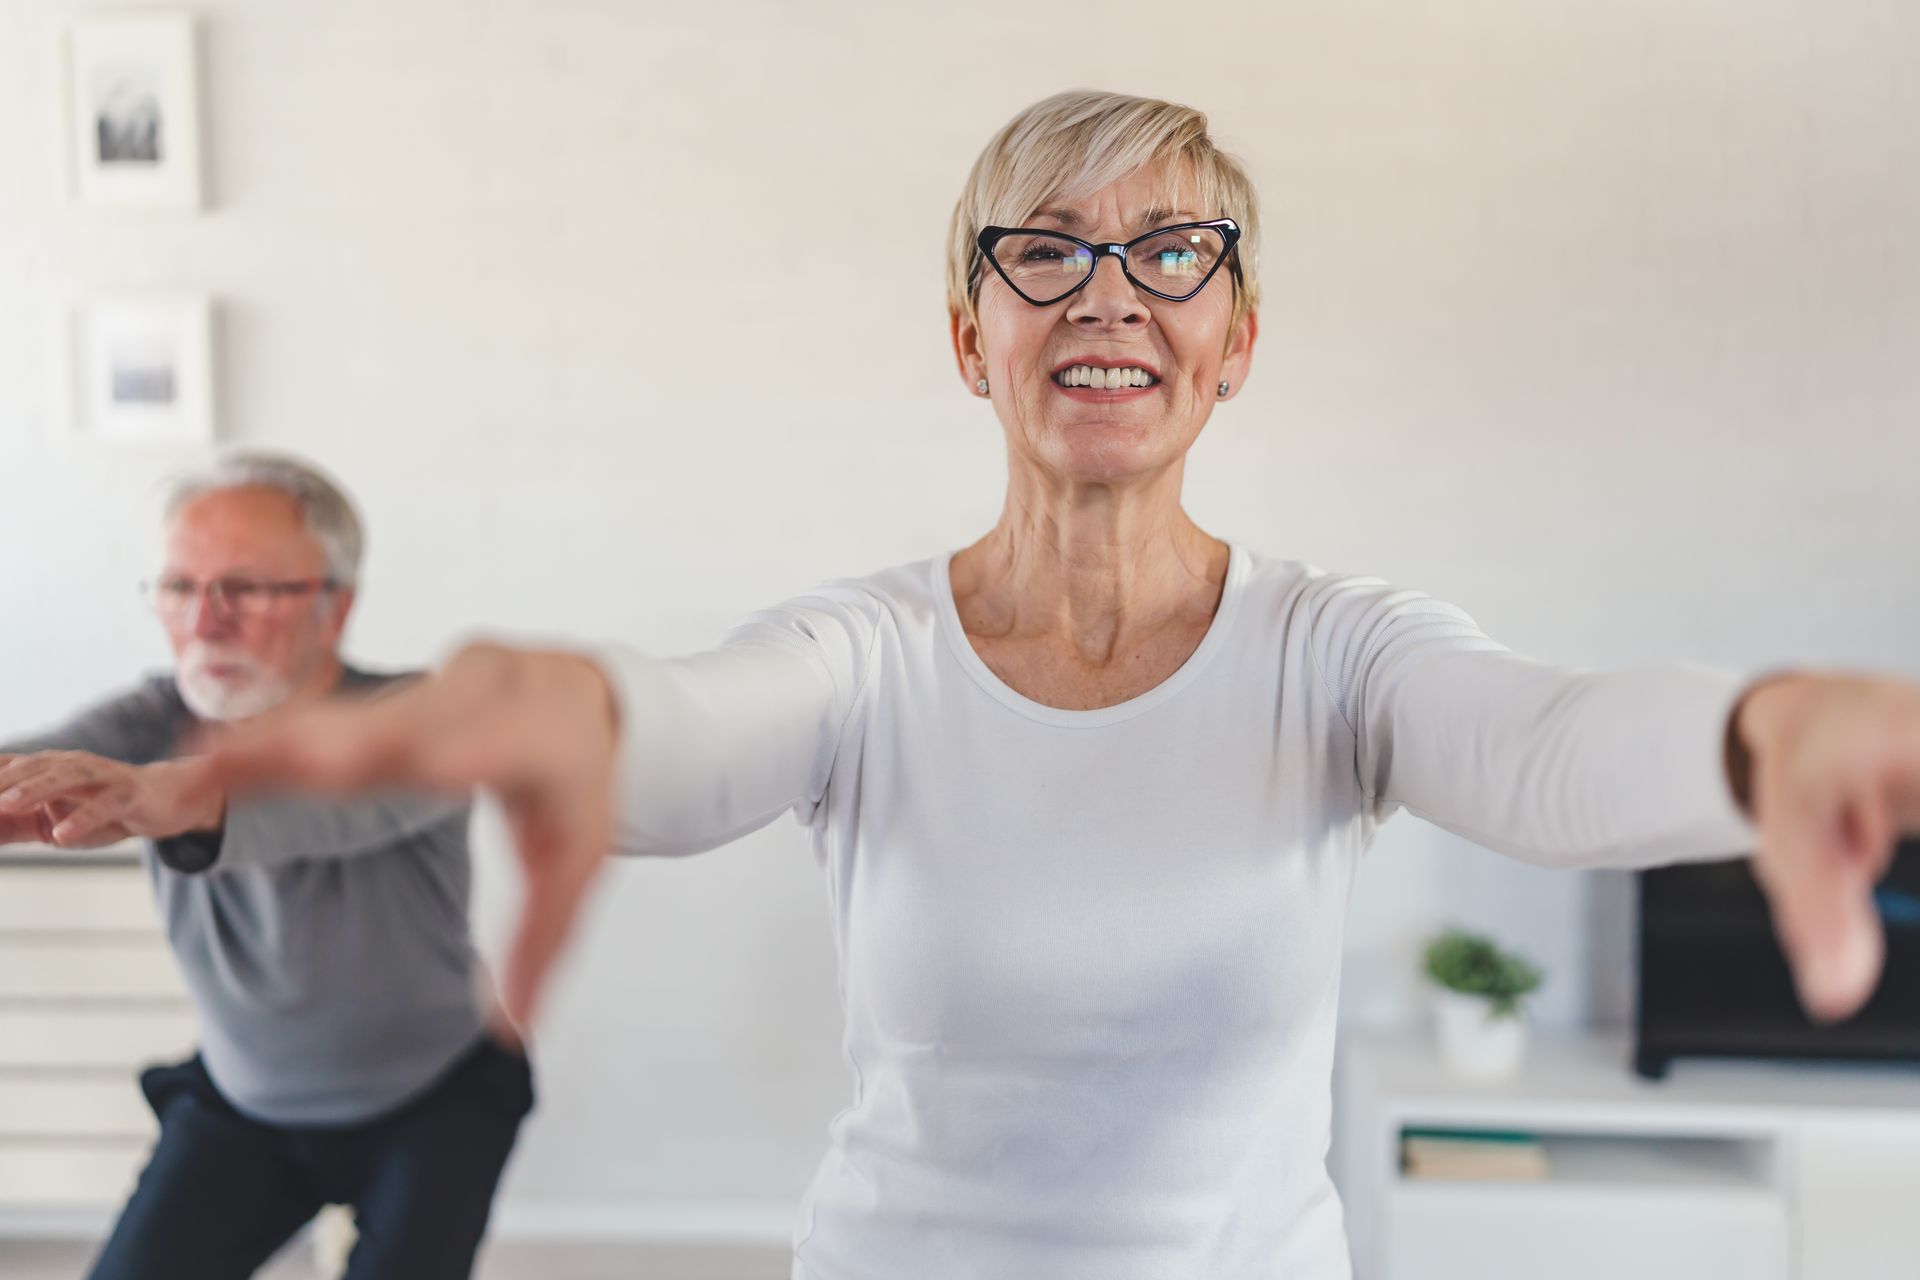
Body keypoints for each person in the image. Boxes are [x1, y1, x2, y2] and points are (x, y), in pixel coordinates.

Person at [58, 92, 1920, 1279]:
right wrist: (576, 714)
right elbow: (707, 731)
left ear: (1235, 338)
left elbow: (1540, 746)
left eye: (1172, 252)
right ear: (973, 334)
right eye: (1049, 252)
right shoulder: (868, 654)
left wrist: (1754, 736)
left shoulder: (1338, 650)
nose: (1110, 294)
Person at [0, 452, 533, 1280]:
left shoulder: (423, 717)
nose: (205, 622)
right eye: (180, 587)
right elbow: (25, 771)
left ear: (334, 606)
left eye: (245, 589)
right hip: (245, 1104)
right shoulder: (150, 718)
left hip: (438, 1099)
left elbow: (318, 798)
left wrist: (166, 795)